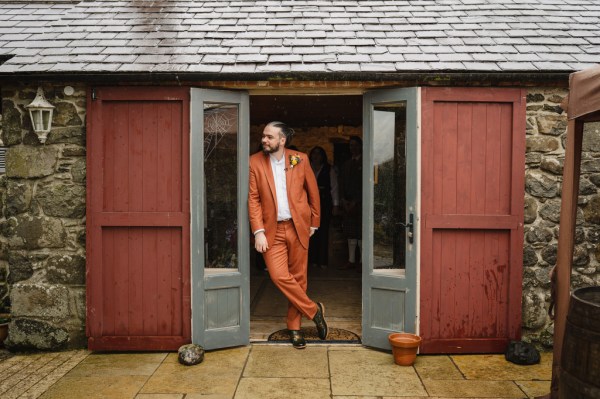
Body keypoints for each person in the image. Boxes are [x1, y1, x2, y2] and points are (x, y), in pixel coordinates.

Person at [248, 121, 328, 349]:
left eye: (269, 137)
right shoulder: (255, 161)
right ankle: (314, 310)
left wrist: (314, 222)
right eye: (264, 136)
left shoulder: (299, 159)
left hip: (298, 227)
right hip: (271, 230)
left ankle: (295, 327)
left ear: (282, 140)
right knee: (278, 275)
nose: (264, 140)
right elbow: (253, 199)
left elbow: (314, 193)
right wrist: (258, 231)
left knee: (299, 278)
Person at [308, 146, 339, 269]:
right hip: (308, 205)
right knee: (310, 233)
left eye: (319, 154)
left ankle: (323, 261)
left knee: (323, 231)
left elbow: (334, 188)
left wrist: (336, 205)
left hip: (324, 204)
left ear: (323, 156)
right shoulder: (305, 167)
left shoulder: (329, 169)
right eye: (314, 153)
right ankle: (312, 260)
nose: (316, 156)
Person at [339, 136, 363, 271]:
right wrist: (342, 200)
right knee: (350, 234)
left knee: (361, 233)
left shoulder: (365, 162)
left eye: (355, 145)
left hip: (360, 204)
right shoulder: (346, 164)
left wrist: (356, 201)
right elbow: (341, 183)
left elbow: (365, 184)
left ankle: (362, 262)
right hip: (347, 203)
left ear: (360, 146)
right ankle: (351, 260)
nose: (352, 148)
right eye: (350, 146)